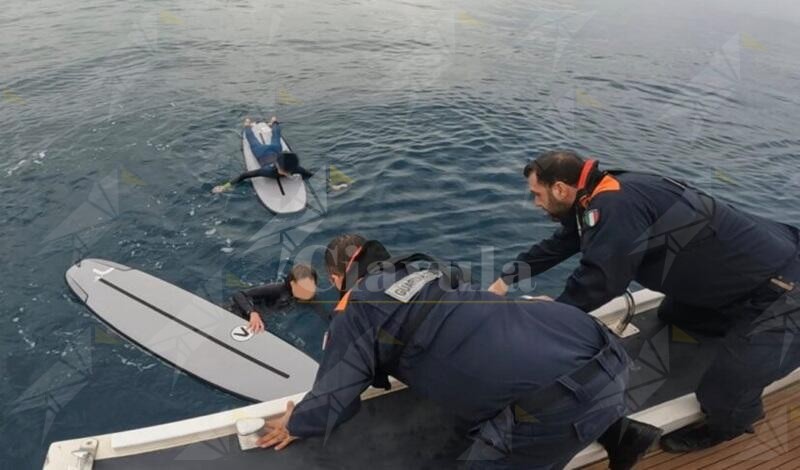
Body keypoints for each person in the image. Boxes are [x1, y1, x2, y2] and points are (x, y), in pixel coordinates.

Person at [256, 234, 661, 469]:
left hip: (555, 403)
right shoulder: (430, 270)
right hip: (603, 351)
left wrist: (298, 422)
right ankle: (621, 433)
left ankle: (587, 430)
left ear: (334, 277)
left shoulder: (354, 310)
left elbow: (335, 399)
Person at [487, 150, 800, 453]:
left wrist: (554, 313)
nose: (536, 203)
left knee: (723, 394)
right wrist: (504, 280)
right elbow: (561, 244)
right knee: (673, 315)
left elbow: (601, 282)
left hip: (785, 289)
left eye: (537, 195)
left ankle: (730, 424)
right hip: (750, 275)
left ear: (560, 188)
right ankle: (741, 332)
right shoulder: (602, 191)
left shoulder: (615, 207)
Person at [212, 116, 312, 194]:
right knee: (253, 140)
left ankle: (269, 121)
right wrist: (224, 187)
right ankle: (249, 125)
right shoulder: (268, 171)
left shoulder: (294, 169)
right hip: (262, 152)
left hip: (275, 150)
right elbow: (245, 175)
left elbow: (307, 173)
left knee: (276, 136)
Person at [228, 264, 318, 334]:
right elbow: (239, 295)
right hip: (240, 313)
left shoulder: (308, 296)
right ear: (293, 284)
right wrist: (252, 313)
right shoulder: (277, 290)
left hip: (263, 322)